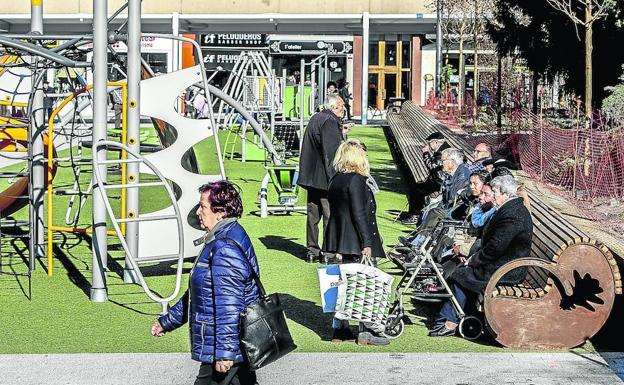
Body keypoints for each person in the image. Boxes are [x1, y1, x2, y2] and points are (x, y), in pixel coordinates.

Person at [151, 181, 260, 385]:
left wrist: (225, 353)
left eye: (203, 206)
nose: (199, 212)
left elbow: (230, 305)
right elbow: (200, 292)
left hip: (224, 344)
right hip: (230, 341)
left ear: (220, 212)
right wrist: (168, 321)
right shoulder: (222, 237)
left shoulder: (225, 246)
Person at [430, 175, 533, 337]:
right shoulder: (510, 209)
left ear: (504, 194)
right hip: (500, 262)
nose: (491, 195)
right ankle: (452, 317)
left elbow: (495, 247)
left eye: (494, 191)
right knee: (461, 271)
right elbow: (493, 246)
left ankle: (449, 321)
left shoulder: (513, 214)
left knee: (463, 274)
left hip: (507, 269)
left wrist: (473, 259)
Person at [323, 139, 388, 346]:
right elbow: (359, 213)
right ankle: (366, 331)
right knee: (365, 286)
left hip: (340, 238)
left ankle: (339, 329)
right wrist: (367, 241)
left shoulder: (336, 179)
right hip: (357, 239)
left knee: (344, 285)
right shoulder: (357, 180)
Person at [298, 95, 346, 262]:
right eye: (341, 106)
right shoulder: (329, 122)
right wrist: (335, 178)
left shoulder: (316, 118)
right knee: (329, 214)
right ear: (333, 107)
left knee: (313, 215)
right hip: (325, 178)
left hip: (311, 176)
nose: (343, 109)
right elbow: (331, 153)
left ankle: (312, 250)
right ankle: (328, 251)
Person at [400, 132, 450, 225]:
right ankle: (415, 213)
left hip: (441, 182)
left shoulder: (443, 152)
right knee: (416, 186)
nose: (428, 145)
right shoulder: (444, 149)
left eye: (429, 143)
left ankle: (415, 215)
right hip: (438, 179)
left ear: (435, 143)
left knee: (417, 190)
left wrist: (426, 153)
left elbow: (432, 166)